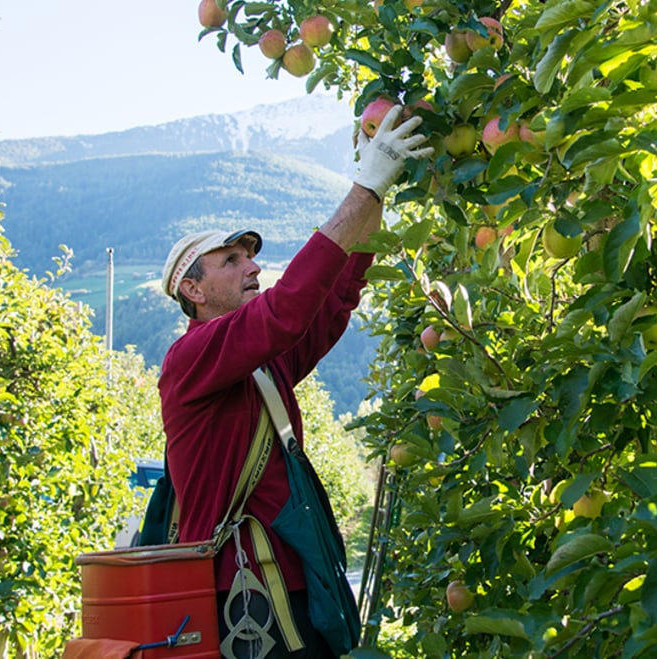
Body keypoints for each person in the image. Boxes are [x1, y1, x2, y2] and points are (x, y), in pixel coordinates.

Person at [157, 105, 432, 659]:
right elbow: (284, 311)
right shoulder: (192, 356)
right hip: (245, 600)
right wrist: (363, 184)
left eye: (250, 257)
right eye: (231, 261)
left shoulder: (258, 364)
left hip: (290, 582)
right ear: (193, 290)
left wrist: (374, 199)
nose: (253, 267)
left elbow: (327, 307)